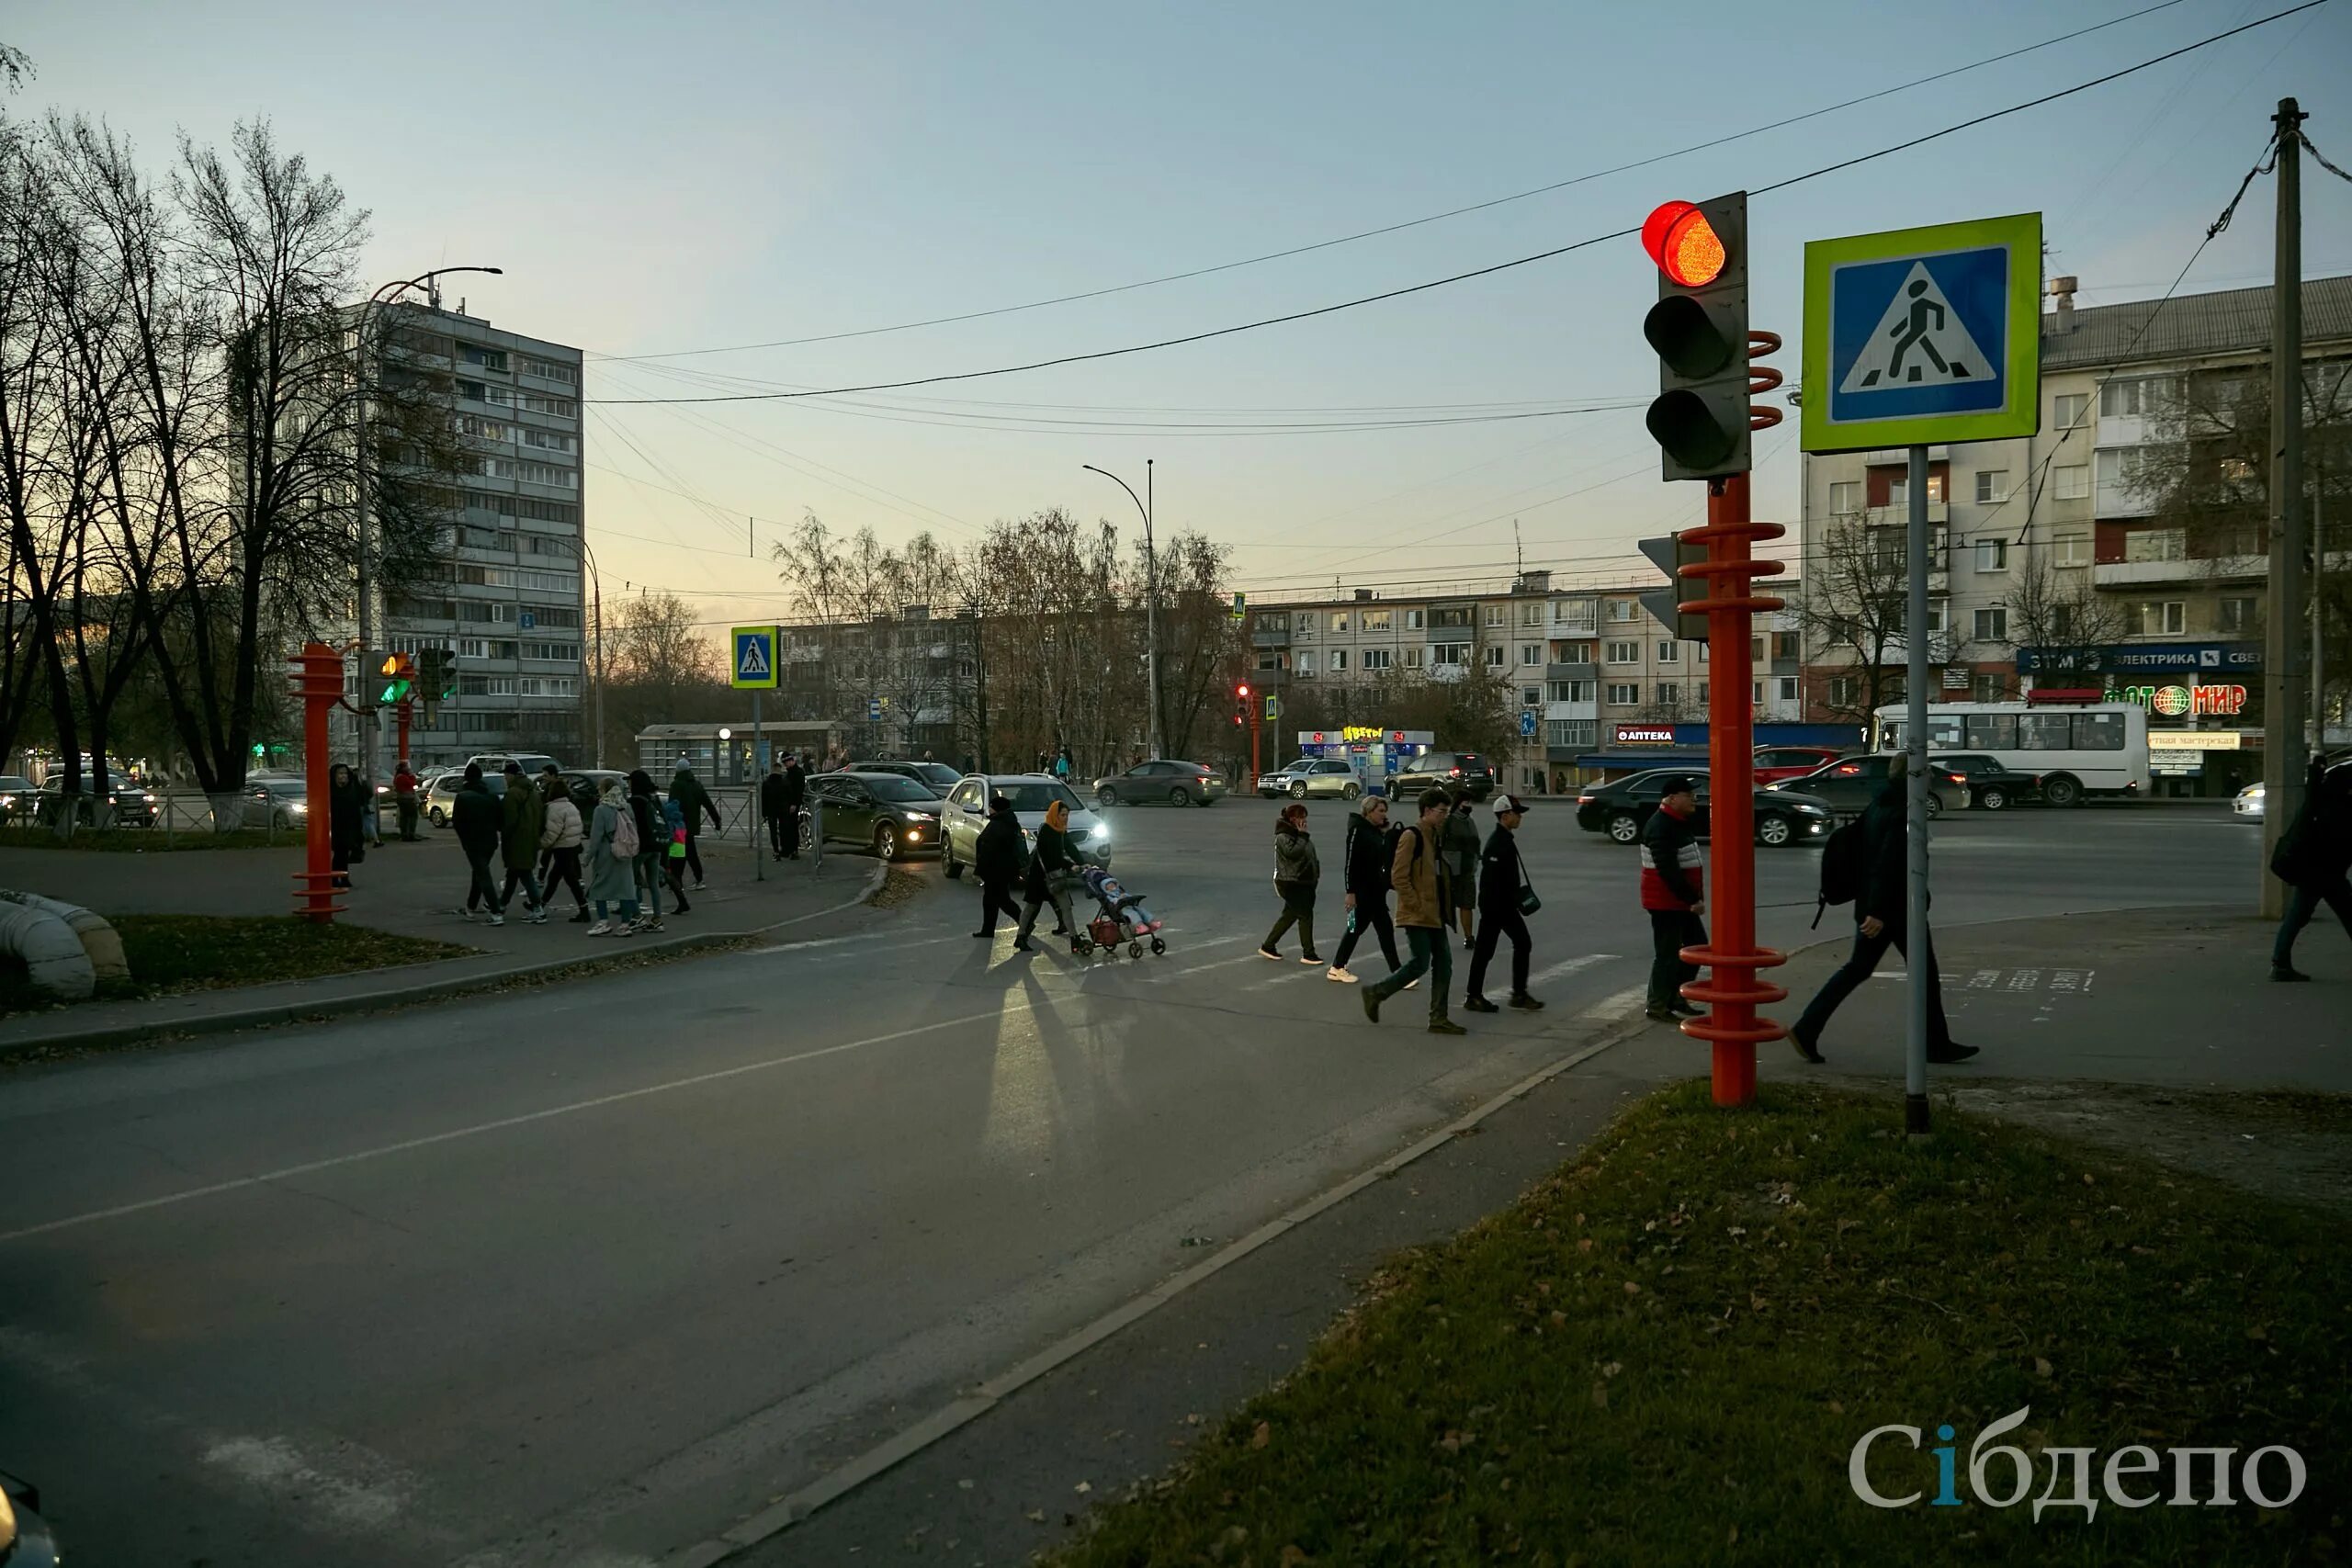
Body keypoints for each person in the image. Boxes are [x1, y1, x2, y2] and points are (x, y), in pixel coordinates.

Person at [1790, 781, 1979, 1063]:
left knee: (1858, 969)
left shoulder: (1879, 803)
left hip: (1879, 905)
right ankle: (1936, 1045)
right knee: (1922, 975)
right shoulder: (1902, 811)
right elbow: (1889, 862)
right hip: (1896, 910)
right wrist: (1878, 911)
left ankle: (1807, 1028)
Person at [1361, 789, 1464, 1035]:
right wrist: (1415, 904)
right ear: (1427, 811)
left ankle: (1438, 1017)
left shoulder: (1434, 836)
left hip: (1434, 913)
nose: (1444, 817)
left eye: (1446, 812)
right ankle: (1376, 992)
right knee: (1419, 963)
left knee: (1444, 964)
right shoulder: (1412, 836)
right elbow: (1398, 875)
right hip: (1419, 913)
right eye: (1441, 812)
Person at [2269, 758, 2352, 981]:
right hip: (2328, 873)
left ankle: (2280, 963)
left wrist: (2316, 769)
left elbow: (2313, 787)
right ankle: (2280, 964)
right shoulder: (2341, 810)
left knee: (2296, 918)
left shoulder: (2317, 802)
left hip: (2311, 872)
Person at [1465, 794, 1544, 1013]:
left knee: (1521, 943)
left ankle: (1518, 994)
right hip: (1496, 907)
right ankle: (1475, 996)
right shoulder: (1497, 843)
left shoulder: (1505, 839)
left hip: (1504, 906)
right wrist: (1496, 907)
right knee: (1485, 951)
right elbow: (1490, 882)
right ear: (1505, 815)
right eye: (1517, 814)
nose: (1520, 818)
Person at [1639, 775, 1705, 1022]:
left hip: (1678, 901)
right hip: (1666, 903)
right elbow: (1667, 870)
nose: (1694, 800)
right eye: (1689, 796)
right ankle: (1657, 1005)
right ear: (1672, 798)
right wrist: (1692, 899)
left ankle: (1676, 997)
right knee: (1667, 955)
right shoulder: (1661, 826)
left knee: (1696, 946)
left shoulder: (1677, 821)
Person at [1327, 792, 1403, 985]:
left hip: (1375, 894)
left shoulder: (1376, 832)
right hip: (1360, 894)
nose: (1384, 815)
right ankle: (1337, 967)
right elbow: (1350, 864)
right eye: (1380, 811)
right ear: (1368, 812)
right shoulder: (1357, 832)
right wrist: (1350, 892)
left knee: (1384, 930)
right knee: (1353, 929)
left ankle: (1397, 970)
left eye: (1385, 811)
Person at [1259, 802, 1323, 964]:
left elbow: (1309, 854)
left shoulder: (1299, 835)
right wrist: (1302, 835)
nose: (1304, 821)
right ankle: (1308, 953)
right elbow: (1292, 853)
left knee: (1290, 916)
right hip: (1292, 881)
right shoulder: (1284, 836)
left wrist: (1316, 872)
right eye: (1301, 818)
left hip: (1304, 881)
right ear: (1293, 819)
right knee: (1305, 916)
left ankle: (1268, 946)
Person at [1014, 797, 1081, 952]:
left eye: (1067, 815)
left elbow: (1071, 848)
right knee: (1031, 907)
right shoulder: (1046, 831)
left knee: (1066, 907)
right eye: (1062, 815)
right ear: (1054, 815)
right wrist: (1072, 866)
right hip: (1040, 877)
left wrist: (1082, 862)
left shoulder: (1061, 830)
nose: (1065, 818)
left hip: (1055, 876)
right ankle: (1021, 936)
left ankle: (1074, 939)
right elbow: (1052, 858)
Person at [582, 781, 640, 936]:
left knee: (599, 887)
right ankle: (625, 924)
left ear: (605, 791)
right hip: (626, 852)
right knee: (625, 889)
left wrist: (587, 858)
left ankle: (603, 922)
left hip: (607, 853)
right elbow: (634, 830)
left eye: (600, 788)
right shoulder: (626, 807)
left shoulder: (601, 810)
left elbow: (595, 837)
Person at [451, 763, 505, 925]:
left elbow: (457, 823)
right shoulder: (492, 797)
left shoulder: (462, 797)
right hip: (490, 841)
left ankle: (496, 913)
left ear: (466, 778)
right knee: (480, 873)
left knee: (482, 875)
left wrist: (465, 840)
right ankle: (471, 907)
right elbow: (500, 822)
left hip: (473, 842)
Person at [494, 761, 547, 922]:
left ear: (510, 776)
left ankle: (538, 909)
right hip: (531, 838)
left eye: (505, 775)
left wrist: (503, 832)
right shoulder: (533, 793)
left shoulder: (513, 794)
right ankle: (501, 905)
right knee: (514, 873)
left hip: (517, 840)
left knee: (523, 874)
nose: (504, 778)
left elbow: (509, 820)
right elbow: (542, 817)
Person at [972, 793, 1027, 938]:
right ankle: (988, 930)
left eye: (991, 807)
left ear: (996, 809)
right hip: (1003, 868)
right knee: (991, 900)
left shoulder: (998, 825)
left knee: (1002, 900)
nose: (989, 809)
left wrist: (979, 870)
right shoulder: (1007, 822)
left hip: (996, 870)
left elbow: (989, 850)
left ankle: (1025, 924)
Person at [538, 772, 588, 921]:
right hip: (571, 845)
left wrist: (541, 845)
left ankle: (584, 911)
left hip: (562, 847)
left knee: (570, 880)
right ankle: (540, 905)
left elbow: (553, 832)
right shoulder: (570, 805)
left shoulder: (554, 808)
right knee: (556, 877)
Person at [667, 761, 722, 889]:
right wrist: (716, 820)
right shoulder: (696, 785)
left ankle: (677, 882)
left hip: (678, 825)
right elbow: (708, 804)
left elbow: (672, 805)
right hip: (692, 825)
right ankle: (699, 879)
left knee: (677, 855)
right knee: (691, 853)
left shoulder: (676, 785)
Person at [625, 771, 666, 932]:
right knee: (654, 883)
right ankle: (657, 919)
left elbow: (630, 823)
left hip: (640, 847)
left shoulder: (634, 801)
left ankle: (637, 915)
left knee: (630, 880)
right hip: (657, 844)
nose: (628, 785)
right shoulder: (653, 799)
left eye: (630, 782)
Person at [1442, 790, 1482, 952]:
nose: (1468, 805)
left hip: (1467, 869)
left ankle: (1469, 937)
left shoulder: (1470, 822)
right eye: (1466, 802)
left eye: (1470, 802)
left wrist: (1476, 859)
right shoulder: (1448, 821)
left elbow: (1476, 843)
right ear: (1458, 803)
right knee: (1446, 906)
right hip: (1451, 870)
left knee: (1467, 905)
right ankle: (1440, 938)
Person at [326, 761, 366, 890]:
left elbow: (365, 796)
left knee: (344, 853)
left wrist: (358, 779)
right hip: (336, 826)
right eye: (340, 774)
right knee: (339, 853)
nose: (343, 776)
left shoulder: (352, 788)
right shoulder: (330, 790)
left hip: (351, 825)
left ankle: (343, 877)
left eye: (345, 773)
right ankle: (335, 877)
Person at [660, 788, 694, 916]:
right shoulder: (681, 823)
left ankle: (682, 902)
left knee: (672, 877)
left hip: (673, 852)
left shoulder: (670, 823)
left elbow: (669, 838)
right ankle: (682, 902)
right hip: (682, 852)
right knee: (677, 877)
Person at [760, 760, 793, 860]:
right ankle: (784, 849)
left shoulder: (766, 783)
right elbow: (790, 795)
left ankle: (776, 851)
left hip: (771, 810)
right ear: (779, 770)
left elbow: (763, 799)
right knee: (783, 830)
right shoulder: (785, 781)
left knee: (773, 831)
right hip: (783, 810)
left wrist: (764, 813)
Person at [392, 758, 421, 841]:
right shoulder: (402, 777)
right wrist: (412, 775)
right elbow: (412, 784)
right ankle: (410, 834)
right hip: (407, 799)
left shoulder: (398, 777)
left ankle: (405, 834)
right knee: (412, 816)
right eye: (407, 767)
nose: (408, 769)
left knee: (404, 817)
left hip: (403, 799)